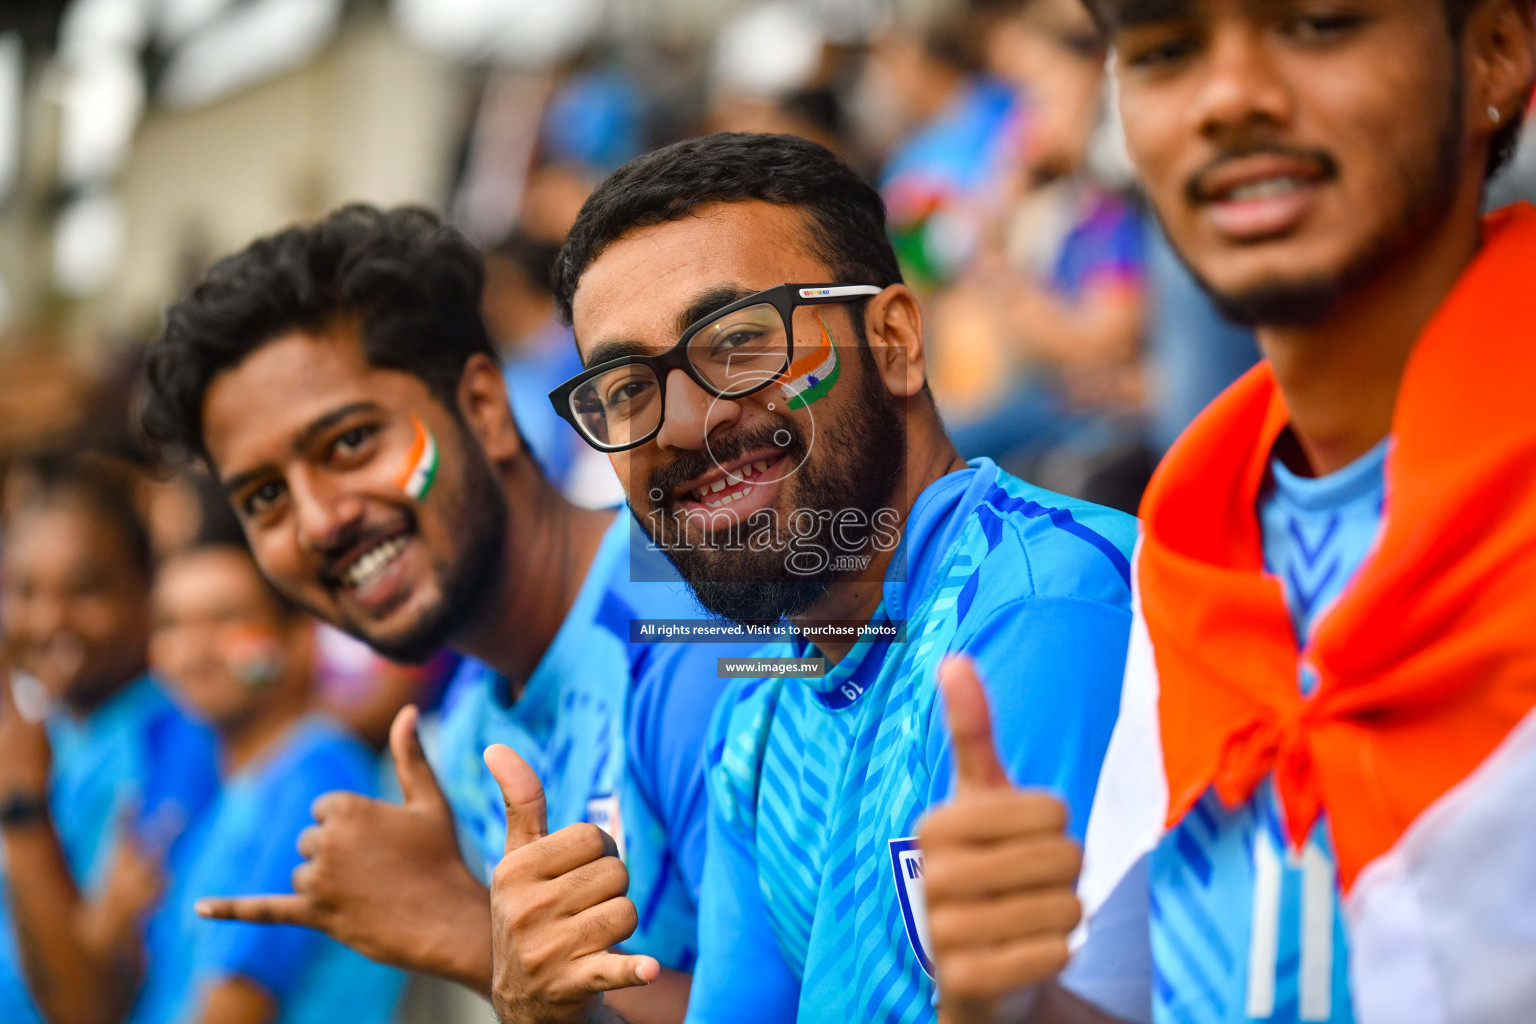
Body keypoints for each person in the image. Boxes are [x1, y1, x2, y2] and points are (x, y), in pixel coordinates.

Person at [916, 0, 1536, 1017]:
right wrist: (1016, 994)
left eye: (1322, 23)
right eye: (1164, 50)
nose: (1227, 99)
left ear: (1498, 50)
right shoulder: (1196, 547)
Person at [544, 131, 1140, 1024]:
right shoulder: (756, 718)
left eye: (740, 342)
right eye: (628, 388)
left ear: (894, 340)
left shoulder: (1044, 607)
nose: (680, 423)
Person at [135, 204, 738, 1024]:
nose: (318, 522)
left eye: (349, 443)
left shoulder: (701, 620)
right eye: (266, 497)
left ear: (486, 408)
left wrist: (472, 936)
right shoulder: (463, 749)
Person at [130, 532, 403, 1024]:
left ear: (300, 640)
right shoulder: (237, 785)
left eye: (224, 619)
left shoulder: (316, 786)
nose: (192, 650)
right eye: (170, 624)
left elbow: (232, 1010)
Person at [0, 456, 219, 1024]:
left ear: (147, 589)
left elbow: (88, 1006)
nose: (49, 621)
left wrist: (23, 806)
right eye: (23, 590)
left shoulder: (178, 743)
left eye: (85, 589)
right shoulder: (51, 729)